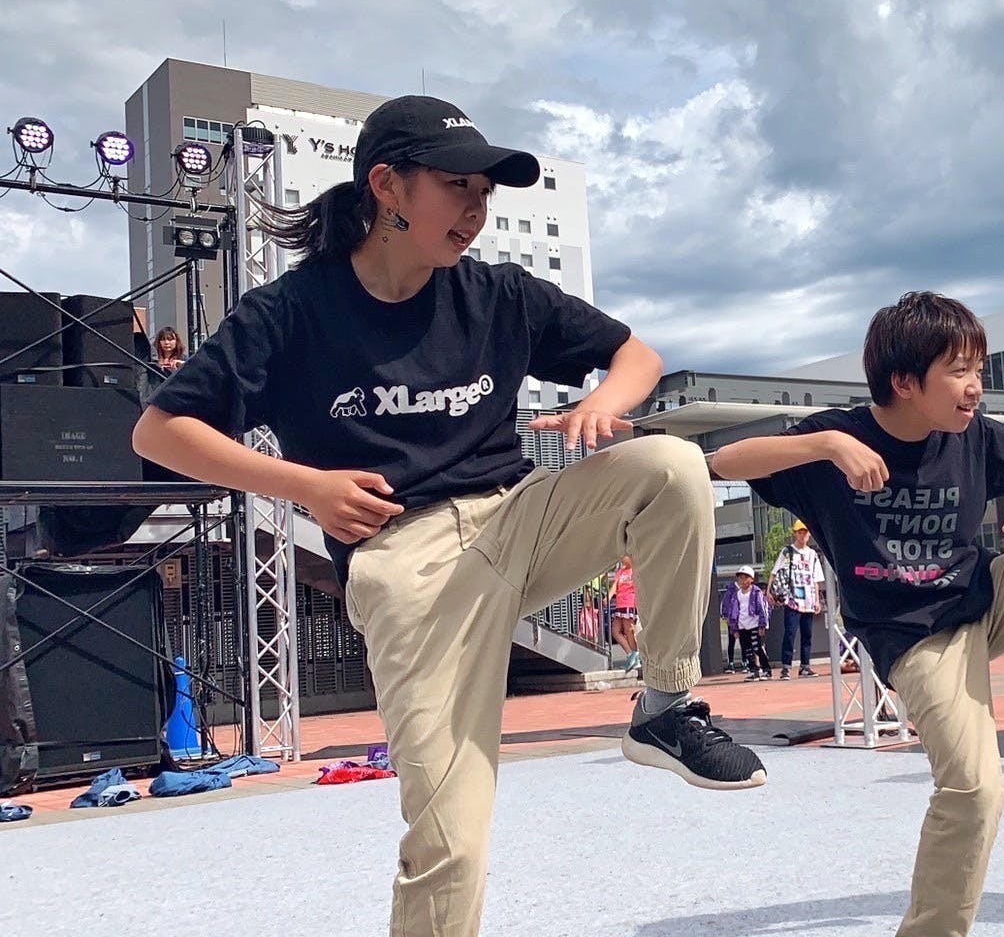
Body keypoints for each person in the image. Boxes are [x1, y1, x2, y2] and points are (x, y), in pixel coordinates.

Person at [129, 95, 766, 937]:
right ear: (386, 185)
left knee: (672, 465)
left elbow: (637, 355)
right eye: (456, 185)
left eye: (485, 192)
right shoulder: (291, 311)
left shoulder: (498, 295)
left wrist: (604, 402)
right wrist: (304, 486)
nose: (476, 208)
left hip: (517, 519)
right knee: (450, 847)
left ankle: (666, 706)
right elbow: (159, 431)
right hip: (407, 565)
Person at [710, 290, 1004, 937]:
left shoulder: (973, 436)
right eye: (959, 372)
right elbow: (724, 462)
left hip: (983, 596)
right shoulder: (840, 438)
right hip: (912, 635)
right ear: (905, 382)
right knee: (975, 789)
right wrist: (827, 445)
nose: (975, 388)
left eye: (978, 371)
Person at [769, 519, 826, 678]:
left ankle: (805, 666)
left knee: (807, 634)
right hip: (792, 599)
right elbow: (775, 572)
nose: (802, 535)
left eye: (805, 532)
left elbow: (816, 579)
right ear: (795, 533)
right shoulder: (787, 552)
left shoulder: (812, 554)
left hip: (808, 600)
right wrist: (769, 591)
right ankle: (786, 667)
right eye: (799, 532)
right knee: (790, 633)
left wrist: (817, 600)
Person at [722, 565, 771, 679]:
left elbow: (762, 608)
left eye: (746, 578)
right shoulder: (736, 594)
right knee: (747, 649)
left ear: (751, 579)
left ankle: (766, 669)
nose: (743, 581)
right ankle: (754, 670)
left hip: (754, 624)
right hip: (742, 626)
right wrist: (734, 628)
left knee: (757, 647)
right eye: (740, 578)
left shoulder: (756, 592)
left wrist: (762, 625)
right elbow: (733, 612)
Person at [610, 554, 642, 669]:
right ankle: (631, 654)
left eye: (624, 557)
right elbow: (615, 586)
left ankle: (635, 657)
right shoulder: (621, 571)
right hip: (620, 603)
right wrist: (608, 596)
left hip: (629, 602)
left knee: (629, 631)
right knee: (615, 631)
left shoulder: (635, 570)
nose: (622, 559)